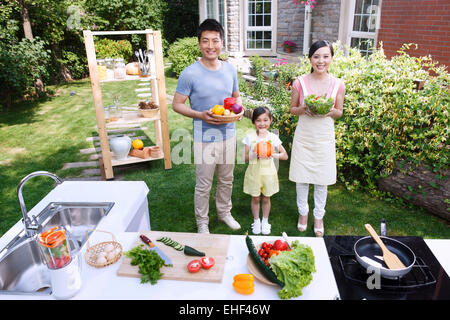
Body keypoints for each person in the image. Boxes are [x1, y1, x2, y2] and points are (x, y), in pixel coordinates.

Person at [172, 19, 242, 234]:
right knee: (204, 184)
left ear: (222, 42)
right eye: (205, 41)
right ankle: (202, 222)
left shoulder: (230, 70)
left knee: (226, 179)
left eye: (215, 40)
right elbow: (176, 104)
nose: (210, 46)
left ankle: (224, 213)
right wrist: (200, 115)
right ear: (199, 44)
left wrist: (238, 113)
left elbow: (236, 98)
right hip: (204, 137)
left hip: (228, 135)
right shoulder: (190, 73)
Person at [288, 40, 345, 237]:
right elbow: (292, 109)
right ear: (310, 59)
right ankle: (303, 214)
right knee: (302, 179)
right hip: (304, 136)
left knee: (322, 180)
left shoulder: (338, 84)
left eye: (325, 56)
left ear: (331, 58)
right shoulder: (300, 82)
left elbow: (339, 112)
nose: (321, 61)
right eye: (316, 56)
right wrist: (303, 108)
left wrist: (330, 111)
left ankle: (318, 216)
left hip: (324, 136)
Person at [243, 107, 288, 235]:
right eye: (258, 120)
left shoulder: (273, 137)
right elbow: (244, 157)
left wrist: (273, 154)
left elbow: (285, 155)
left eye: (265, 120)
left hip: (268, 174)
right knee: (256, 198)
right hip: (254, 173)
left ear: (271, 120)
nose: (262, 123)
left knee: (266, 198)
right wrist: (255, 155)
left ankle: (265, 221)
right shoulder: (250, 137)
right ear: (253, 122)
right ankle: (256, 221)